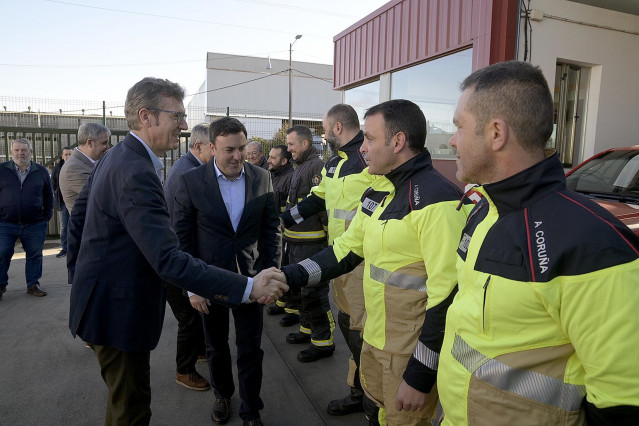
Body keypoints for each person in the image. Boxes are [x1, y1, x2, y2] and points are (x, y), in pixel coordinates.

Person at [67, 77, 287, 426]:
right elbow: (168, 256)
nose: (184, 126)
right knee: (132, 412)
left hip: (105, 304)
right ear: (146, 116)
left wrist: (79, 277)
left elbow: (77, 219)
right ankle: (223, 395)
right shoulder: (136, 169)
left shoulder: (119, 156)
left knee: (125, 406)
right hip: (117, 314)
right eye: (177, 116)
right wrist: (248, 287)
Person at [438, 60, 639, 425]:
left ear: (496, 133)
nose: (452, 140)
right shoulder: (484, 212)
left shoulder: (592, 242)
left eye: (458, 127)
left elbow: (624, 402)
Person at [277, 100, 472, 425]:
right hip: (375, 339)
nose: (362, 147)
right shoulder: (379, 190)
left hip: (407, 355)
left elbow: (448, 297)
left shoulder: (439, 201)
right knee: (375, 412)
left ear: (397, 142)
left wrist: (421, 374)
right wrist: (288, 276)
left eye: (368, 138)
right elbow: (346, 251)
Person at [173, 117, 281, 426]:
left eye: (242, 148)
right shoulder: (192, 181)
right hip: (209, 283)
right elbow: (183, 238)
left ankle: (251, 408)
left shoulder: (262, 177)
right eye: (229, 150)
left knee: (250, 349)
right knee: (215, 347)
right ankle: (222, 395)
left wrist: (271, 275)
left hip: (253, 281)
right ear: (211, 147)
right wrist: (193, 288)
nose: (237, 156)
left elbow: (271, 230)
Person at [280, 104, 375, 416]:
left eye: (324, 127)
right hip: (340, 257)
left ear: (337, 128)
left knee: (360, 332)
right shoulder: (336, 163)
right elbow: (318, 198)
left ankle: (370, 398)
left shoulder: (369, 160)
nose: (322, 133)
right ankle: (358, 391)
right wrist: (284, 219)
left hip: (363, 262)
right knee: (350, 325)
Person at [162, 123, 213, 392]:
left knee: (194, 315)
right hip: (178, 257)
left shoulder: (189, 166)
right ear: (197, 147)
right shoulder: (188, 173)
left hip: (179, 255)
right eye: (212, 147)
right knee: (189, 318)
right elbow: (185, 225)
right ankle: (184, 370)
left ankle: (200, 351)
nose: (217, 153)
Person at [282, 125, 336, 363]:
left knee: (313, 292)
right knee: (300, 290)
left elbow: (322, 205)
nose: (288, 149)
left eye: (291, 144)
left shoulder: (316, 167)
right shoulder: (301, 167)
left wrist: (325, 240)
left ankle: (323, 341)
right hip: (296, 241)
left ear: (305, 144)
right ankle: (307, 329)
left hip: (312, 244)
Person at [0, 138, 53, 300]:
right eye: (16, 150)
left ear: (30, 152)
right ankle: (0, 285)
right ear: (11, 152)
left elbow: (48, 196)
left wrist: (46, 216)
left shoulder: (40, 171)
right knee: (2, 254)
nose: (20, 153)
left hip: (34, 224)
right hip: (5, 224)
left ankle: (33, 284)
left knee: (35, 255)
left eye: (23, 150)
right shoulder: (2, 170)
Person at [265, 144, 294, 317]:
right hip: (276, 231)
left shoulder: (290, 178)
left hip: (287, 232)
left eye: (273, 157)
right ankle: (282, 302)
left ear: (283, 161)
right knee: (279, 267)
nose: (268, 160)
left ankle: (292, 307)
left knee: (286, 267)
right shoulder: (272, 175)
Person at [59, 122, 111, 213]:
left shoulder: (92, 162)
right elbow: (105, 197)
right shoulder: (73, 169)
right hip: (90, 225)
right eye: (104, 143)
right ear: (90, 143)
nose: (108, 147)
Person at [51, 146, 73, 258]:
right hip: (63, 202)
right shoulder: (57, 168)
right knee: (64, 226)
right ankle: (65, 248)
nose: (68, 156)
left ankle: (77, 248)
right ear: (62, 156)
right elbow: (53, 184)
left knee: (77, 224)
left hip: (76, 202)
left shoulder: (76, 166)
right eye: (66, 154)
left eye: (70, 154)